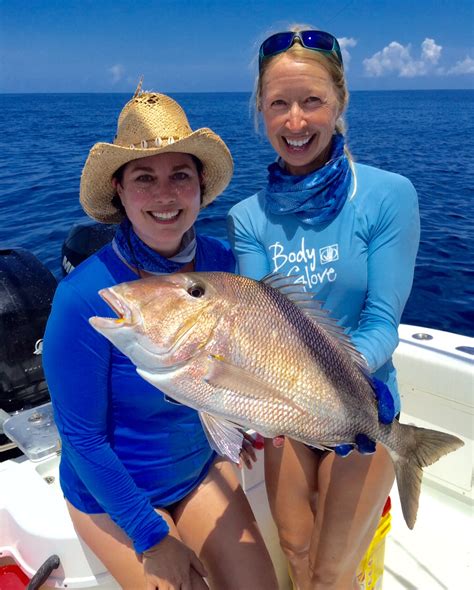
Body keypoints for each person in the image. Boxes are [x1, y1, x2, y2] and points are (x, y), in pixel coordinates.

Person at [43, 86, 278, 590]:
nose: (165, 195)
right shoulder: (85, 297)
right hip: (110, 496)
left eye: (180, 176)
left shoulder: (224, 264)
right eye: (144, 178)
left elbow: (239, 359)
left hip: (196, 472)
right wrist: (151, 536)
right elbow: (82, 439)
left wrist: (239, 423)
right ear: (119, 192)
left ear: (199, 187)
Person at [227, 25, 420, 590]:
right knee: (295, 546)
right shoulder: (247, 219)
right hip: (285, 411)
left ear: (339, 102)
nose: (295, 122)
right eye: (278, 104)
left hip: (363, 405)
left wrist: (345, 388)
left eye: (312, 101)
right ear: (260, 111)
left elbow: (383, 322)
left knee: (334, 571)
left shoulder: (387, 196)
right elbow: (259, 330)